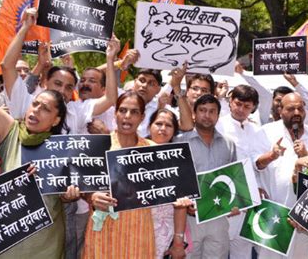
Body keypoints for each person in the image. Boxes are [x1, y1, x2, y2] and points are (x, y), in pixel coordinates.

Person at [0, 24, 80, 259]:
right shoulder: (10, 131)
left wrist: (69, 195)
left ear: (56, 119)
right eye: (35, 103)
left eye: (45, 109)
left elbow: (66, 190)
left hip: (47, 245)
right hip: (6, 244)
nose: (35, 110)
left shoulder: (65, 148)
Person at [1, 8, 119, 134]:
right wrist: (25, 27)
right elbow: (7, 65)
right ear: (45, 82)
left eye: (68, 87)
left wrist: (110, 58)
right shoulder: (26, 103)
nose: (62, 91)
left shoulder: (75, 112)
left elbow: (110, 98)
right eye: (57, 84)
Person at [83, 91, 157, 258]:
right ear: (115, 113)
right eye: (122, 110)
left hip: (138, 228)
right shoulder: (98, 147)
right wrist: (92, 197)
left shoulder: (151, 150)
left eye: (134, 112)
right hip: (104, 227)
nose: (127, 116)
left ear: (142, 117)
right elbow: (85, 186)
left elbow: (166, 187)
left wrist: (181, 196)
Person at [254, 92, 308, 258]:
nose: (297, 113)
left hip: (306, 215)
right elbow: (255, 164)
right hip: (275, 212)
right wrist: (271, 156)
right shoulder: (266, 132)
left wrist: (307, 154)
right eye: (291, 109)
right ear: (280, 110)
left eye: (300, 108)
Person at [174, 94, 237, 259]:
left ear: (218, 115)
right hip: (188, 217)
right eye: (202, 110)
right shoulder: (179, 141)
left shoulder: (228, 144)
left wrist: (236, 202)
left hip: (218, 217)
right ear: (194, 113)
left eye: (212, 111)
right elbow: (174, 179)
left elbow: (234, 178)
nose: (207, 115)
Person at [215, 84, 260, 259]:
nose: (241, 109)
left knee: (242, 251)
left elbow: (259, 164)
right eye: (238, 103)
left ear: (253, 108)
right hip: (225, 196)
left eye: (247, 106)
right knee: (218, 250)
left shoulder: (257, 129)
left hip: (250, 199)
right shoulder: (219, 125)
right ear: (230, 101)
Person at [147, 107, 193, 259]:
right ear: (149, 126)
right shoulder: (133, 154)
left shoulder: (179, 158)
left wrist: (178, 242)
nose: (163, 128)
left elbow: (181, 204)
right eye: (159, 123)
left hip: (167, 232)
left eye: (168, 125)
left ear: (174, 131)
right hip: (136, 227)